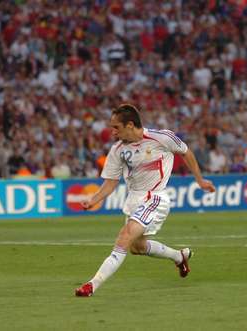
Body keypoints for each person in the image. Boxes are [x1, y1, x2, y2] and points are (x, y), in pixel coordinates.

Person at [75, 104, 216, 297]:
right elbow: (110, 182)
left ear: (130, 125)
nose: (112, 132)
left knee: (124, 237)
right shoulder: (117, 151)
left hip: (155, 197)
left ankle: (92, 285)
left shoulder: (162, 137)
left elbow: (186, 152)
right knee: (137, 247)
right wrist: (94, 200)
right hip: (134, 199)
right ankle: (179, 256)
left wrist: (199, 180)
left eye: (116, 127)